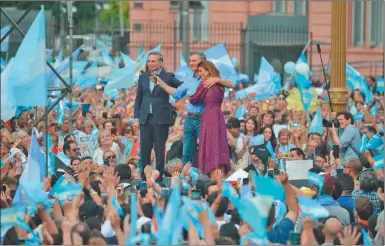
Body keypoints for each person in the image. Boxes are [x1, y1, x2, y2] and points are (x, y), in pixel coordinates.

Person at [156, 51, 234, 165]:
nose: (191, 63)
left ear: (203, 63)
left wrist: (217, 80)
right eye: (190, 61)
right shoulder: (188, 80)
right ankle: (186, 179)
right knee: (186, 151)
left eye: (194, 61)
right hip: (189, 119)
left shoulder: (211, 78)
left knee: (205, 151)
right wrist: (161, 84)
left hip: (205, 120)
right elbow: (176, 93)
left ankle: (204, 179)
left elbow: (231, 84)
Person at [134, 51, 182, 181]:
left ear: (160, 62)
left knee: (159, 149)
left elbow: (182, 88)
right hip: (145, 118)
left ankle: (159, 177)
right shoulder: (143, 77)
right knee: (145, 149)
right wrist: (136, 118)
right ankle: (145, 177)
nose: (150, 63)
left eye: (153, 61)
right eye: (149, 61)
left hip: (160, 119)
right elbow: (138, 99)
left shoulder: (168, 76)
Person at [189, 60, 230, 178]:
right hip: (218, 116)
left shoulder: (206, 83)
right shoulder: (218, 83)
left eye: (201, 71)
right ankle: (218, 173)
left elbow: (194, 99)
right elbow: (231, 84)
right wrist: (217, 80)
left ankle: (214, 176)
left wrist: (215, 80)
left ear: (208, 70)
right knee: (218, 144)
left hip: (209, 116)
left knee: (212, 144)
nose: (200, 73)